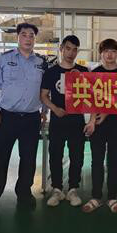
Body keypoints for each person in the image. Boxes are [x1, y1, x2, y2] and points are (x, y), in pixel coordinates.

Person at [0, 23, 47, 214]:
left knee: (28, 159)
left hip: (31, 119)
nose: (28, 38)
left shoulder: (41, 62)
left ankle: (24, 193)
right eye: (24, 35)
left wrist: (44, 110)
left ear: (35, 39)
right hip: (7, 117)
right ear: (18, 37)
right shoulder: (4, 59)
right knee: (0, 159)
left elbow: (45, 90)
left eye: (31, 35)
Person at [82, 39, 117, 214]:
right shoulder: (95, 73)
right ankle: (95, 197)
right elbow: (92, 100)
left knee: (114, 160)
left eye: (113, 51)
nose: (109, 55)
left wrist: (107, 112)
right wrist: (91, 121)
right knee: (97, 160)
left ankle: (112, 197)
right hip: (98, 123)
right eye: (106, 51)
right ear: (101, 54)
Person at [41, 35, 88, 207]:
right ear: (61, 49)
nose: (71, 53)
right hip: (58, 120)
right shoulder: (51, 72)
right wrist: (54, 109)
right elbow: (43, 96)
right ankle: (57, 189)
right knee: (55, 155)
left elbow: (91, 96)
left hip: (77, 121)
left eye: (74, 49)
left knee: (77, 156)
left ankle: (73, 189)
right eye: (68, 48)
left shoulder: (83, 71)